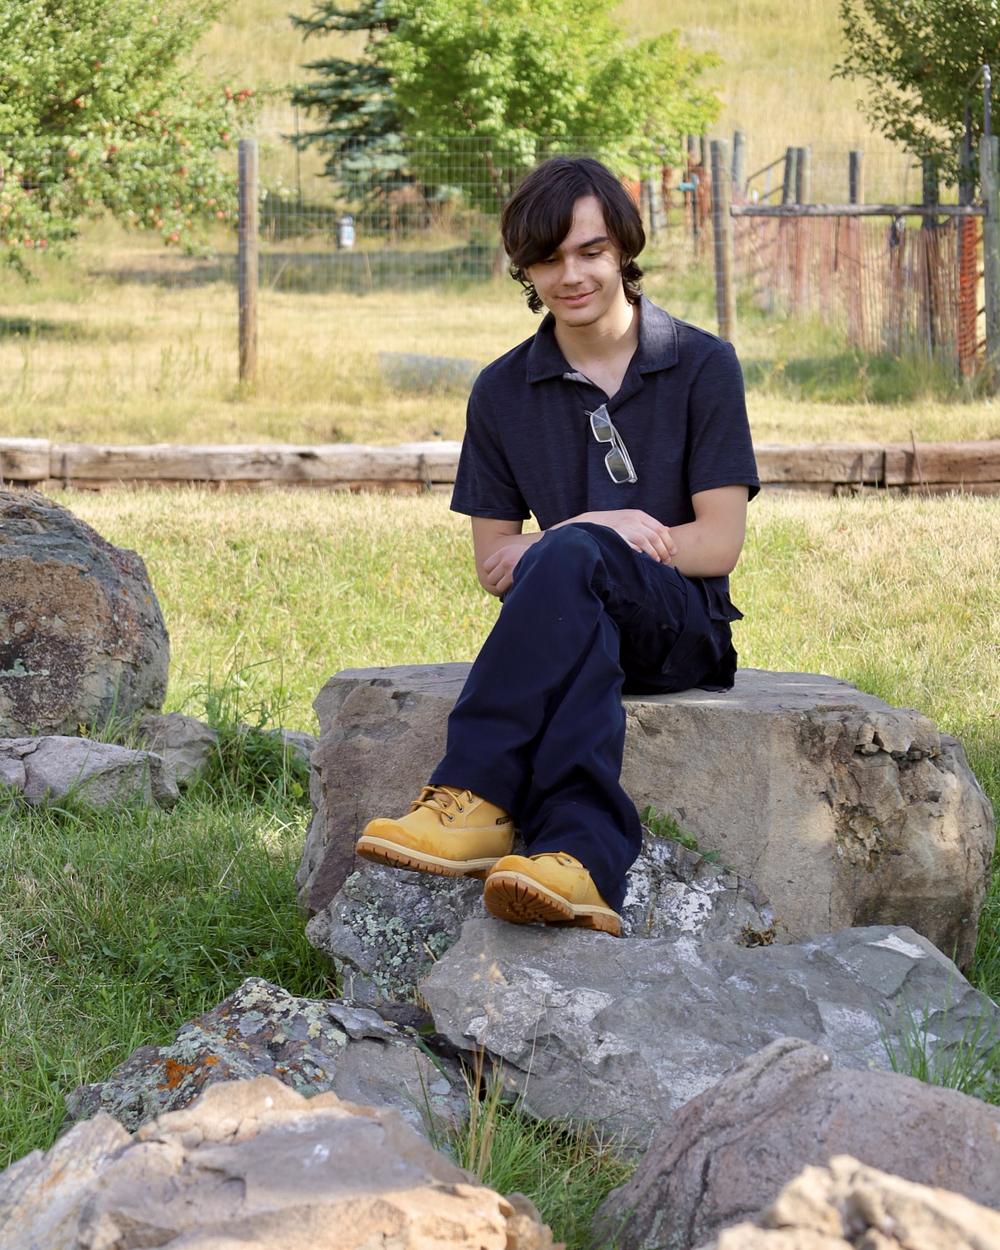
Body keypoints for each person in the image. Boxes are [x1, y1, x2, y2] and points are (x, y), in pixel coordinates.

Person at [355, 154, 759, 936]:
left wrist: (575, 542)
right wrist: (591, 525)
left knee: (572, 560)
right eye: (547, 259)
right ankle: (577, 861)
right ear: (525, 268)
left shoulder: (703, 364)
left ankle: (476, 795)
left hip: (680, 626)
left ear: (624, 248)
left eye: (590, 251)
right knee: (576, 595)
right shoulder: (503, 390)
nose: (570, 276)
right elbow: (493, 564)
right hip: (569, 620)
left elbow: (716, 544)